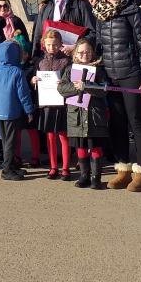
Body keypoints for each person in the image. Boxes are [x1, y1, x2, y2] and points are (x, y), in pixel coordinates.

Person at [92, 0, 141, 192]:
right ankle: (123, 169)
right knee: (116, 123)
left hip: (131, 74)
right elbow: (99, 45)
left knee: (136, 121)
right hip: (110, 74)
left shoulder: (135, 12)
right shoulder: (99, 14)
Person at [57, 37, 110, 189]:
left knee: (95, 147)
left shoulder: (99, 69)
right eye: (81, 52)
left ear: (93, 53)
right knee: (80, 147)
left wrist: (88, 86)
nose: (84, 55)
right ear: (75, 54)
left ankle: (96, 178)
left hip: (94, 115)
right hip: (76, 116)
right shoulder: (69, 69)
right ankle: (84, 176)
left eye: (88, 52)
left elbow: (104, 90)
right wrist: (76, 88)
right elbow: (61, 89)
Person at [0, 40, 35, 181]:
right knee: (11, 142)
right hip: (12, 112)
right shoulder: (17, 71)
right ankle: (7, 169)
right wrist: (29, 110)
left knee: (5, 140)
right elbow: (23, 94)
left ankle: (12, 166)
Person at [31, 0, 96, 61]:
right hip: (51, 63)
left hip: (74, 60)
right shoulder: (45, 9)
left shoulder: (82, 5)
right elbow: (38, 38)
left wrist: (75, 47)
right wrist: (35, 62)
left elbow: (93, 33)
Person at [32, 29, 71, 180]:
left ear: (61, 44)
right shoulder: (40, 61)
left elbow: (71, 81)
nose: (52, 47)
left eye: (55, 45)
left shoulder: (67, 61)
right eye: (49, 45)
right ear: (44, 45)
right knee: (50, 136)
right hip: (47, 104)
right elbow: (34, 77)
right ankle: (53, 167)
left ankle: (66, 167)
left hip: (62, 103)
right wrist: (33, 80)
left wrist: (64, 82)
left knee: (63, 136)